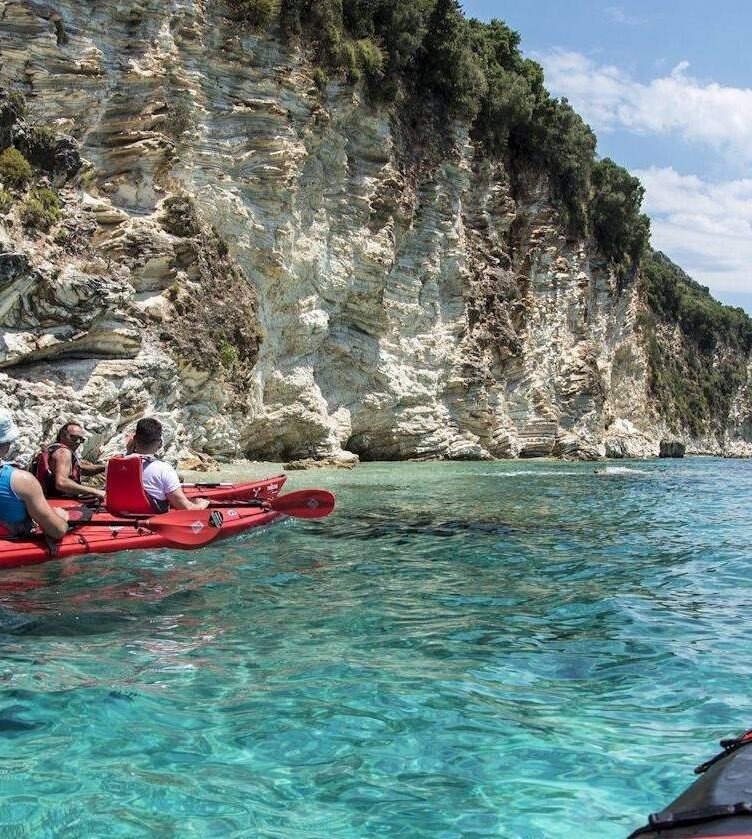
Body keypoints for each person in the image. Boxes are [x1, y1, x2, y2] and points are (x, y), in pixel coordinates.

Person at [0, 408, 69, 539]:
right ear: (7, 444)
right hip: (14, 549)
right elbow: (57, 531)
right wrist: (61, 517)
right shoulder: (22, 481)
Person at [126, 418, 209, 512]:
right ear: (160, 444)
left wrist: (128, 452)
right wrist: (201, 505)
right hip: (150, 516)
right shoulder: (164, 469)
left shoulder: (113, 465)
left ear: (134, 440)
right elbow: (186, 508)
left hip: (119, 512)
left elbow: (130, 467)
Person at [33, 421, 106, 501]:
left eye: (81, 440)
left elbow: (80, 469)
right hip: (58, 502)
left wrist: (105, 467)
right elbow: (61, 483)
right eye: (74, 437)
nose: (78, 442)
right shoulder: (63, 452)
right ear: (62, 436)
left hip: (46, 499)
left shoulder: (55, 449)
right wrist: (95, 491)